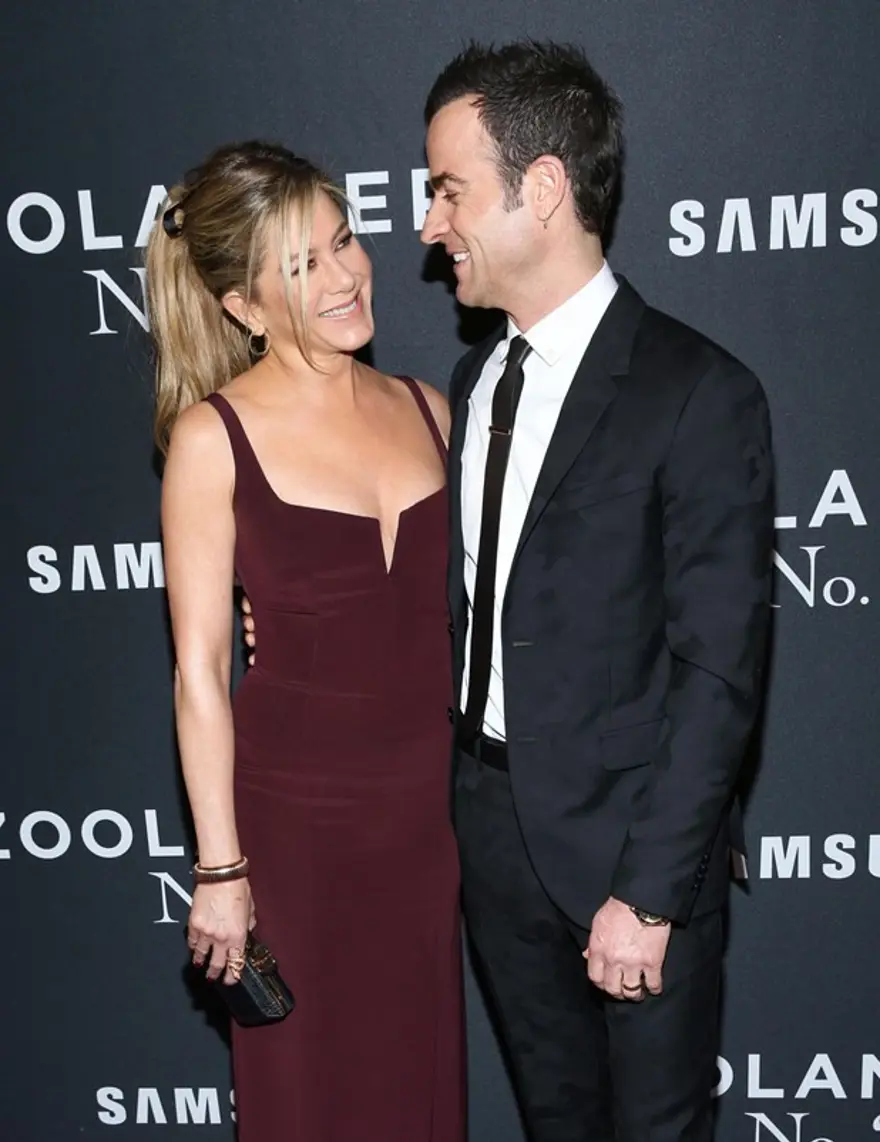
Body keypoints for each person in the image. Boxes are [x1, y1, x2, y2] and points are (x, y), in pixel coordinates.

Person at [419, 41, 775, 1142]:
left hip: (632, 849)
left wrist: (651, 892)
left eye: (448, 190)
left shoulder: (697, 391)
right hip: (490, 830)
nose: (428, 224)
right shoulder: (477, 380)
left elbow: (718, 671)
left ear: (541, 188)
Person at [146, 140, 464, 1142]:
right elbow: (201, 673)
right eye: (302, 265)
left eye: (344, 241)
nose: (344, 276)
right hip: (295, 831)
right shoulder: (213, 439)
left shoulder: (431, 409)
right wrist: (221, 870)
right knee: (313, 1097)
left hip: (429, 825)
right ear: (244, 307)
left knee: (417, 1086)